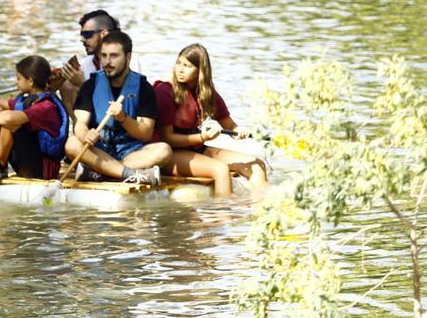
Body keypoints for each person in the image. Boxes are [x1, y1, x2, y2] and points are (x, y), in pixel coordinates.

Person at [154, 44, 269, 196]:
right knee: (220, 169)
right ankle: (222, 215)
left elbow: (230, 125)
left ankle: (264, 210)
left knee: (257, 164)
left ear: (200, 70)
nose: (180, 69)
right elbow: (167, 138)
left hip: (197, 149)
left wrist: (238, 131)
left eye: (187, 66)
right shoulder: (165, 92)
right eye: (178, 63)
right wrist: (202, 137)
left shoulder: (207, 93)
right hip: (169, 154)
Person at [64, 31, 170, 185]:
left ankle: (99, 172)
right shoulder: (90, 85)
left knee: (163, 150)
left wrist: (123, 118)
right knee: (72, 143)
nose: (107, 62)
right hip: (100, 149)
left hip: (130, 152)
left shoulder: (144, 88)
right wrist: (85, 135)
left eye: (114, 56)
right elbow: (80, 123)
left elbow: (146, 134)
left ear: (128, 57)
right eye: (104, 56)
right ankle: (128, 174)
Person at [0, 56, 69, 180]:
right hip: (29, 161)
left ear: (30, 81)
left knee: (9, 121)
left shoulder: (46, 106)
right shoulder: (25, 99)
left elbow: (9, 118)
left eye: (18, 78)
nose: (16, 82)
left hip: (44, 169)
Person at [58, 10, 143, 111]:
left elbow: (125, 101)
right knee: (66, 84)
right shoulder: (84, 64)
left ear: (104, 34)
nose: (82, 40)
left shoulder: (128, 60)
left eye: (87, 35)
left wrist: (83, 84)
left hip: (122, 116)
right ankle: (78, 126)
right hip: (89, 119)